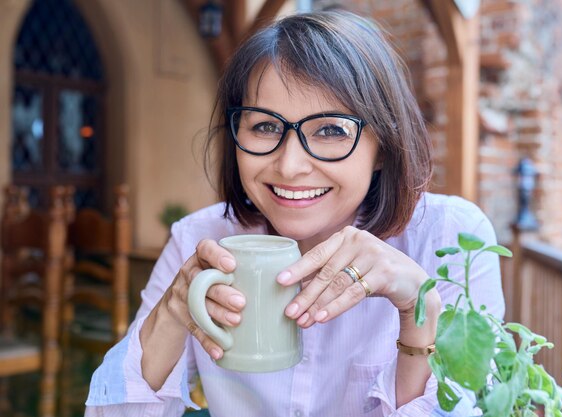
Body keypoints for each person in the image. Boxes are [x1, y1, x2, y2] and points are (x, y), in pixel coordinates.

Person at [85, 10, 504, 417]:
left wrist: (419, 311)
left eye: (329, 130)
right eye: (265, 126)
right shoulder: (199, 239)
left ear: (383, 147)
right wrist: (174, 314)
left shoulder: (449, 239)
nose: (289, 166)